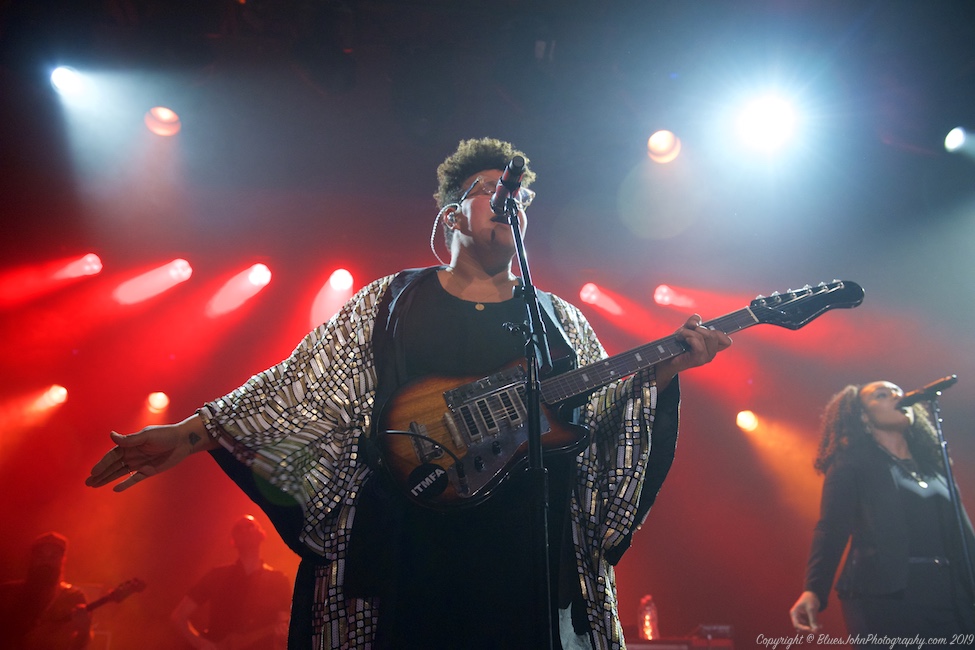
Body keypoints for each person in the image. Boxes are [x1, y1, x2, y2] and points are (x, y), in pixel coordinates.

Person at [86, 137, 732, 649]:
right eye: (491, 190)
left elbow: (604, 429)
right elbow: (300, 387)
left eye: (518, 195)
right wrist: (191, 434)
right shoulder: (391, 302)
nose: (508, 201)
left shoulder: (558, 320)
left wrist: (662, 374)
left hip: (525, 560)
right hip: (413, 552)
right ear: (451, 215)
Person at [789, 380, 975, 641]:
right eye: (882, 395)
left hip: (951, 593)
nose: (897, 396)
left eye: (898, 391)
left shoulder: (935, 467)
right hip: (887, 597)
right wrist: (813, 590)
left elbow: (964, 534)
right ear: (863, 417)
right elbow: (831, 528)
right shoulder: (851, 464)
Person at [171, 515, 291, 650]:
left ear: (262, 534)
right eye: (238, 528)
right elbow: (179, 616)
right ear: (232, 540)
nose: (245, 530)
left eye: (250, 526)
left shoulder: (279, 580)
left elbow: (284, 626)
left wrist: (283, 635)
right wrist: (202, 644)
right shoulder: (217, 576)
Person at [0, 532, 92, 650]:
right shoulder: (8, 593)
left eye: (53, 557)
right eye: (40, 556)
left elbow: (79, 645)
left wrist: (84, 630)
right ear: (32, 559)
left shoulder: (73, 598)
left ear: (63, 560)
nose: (46, 562)